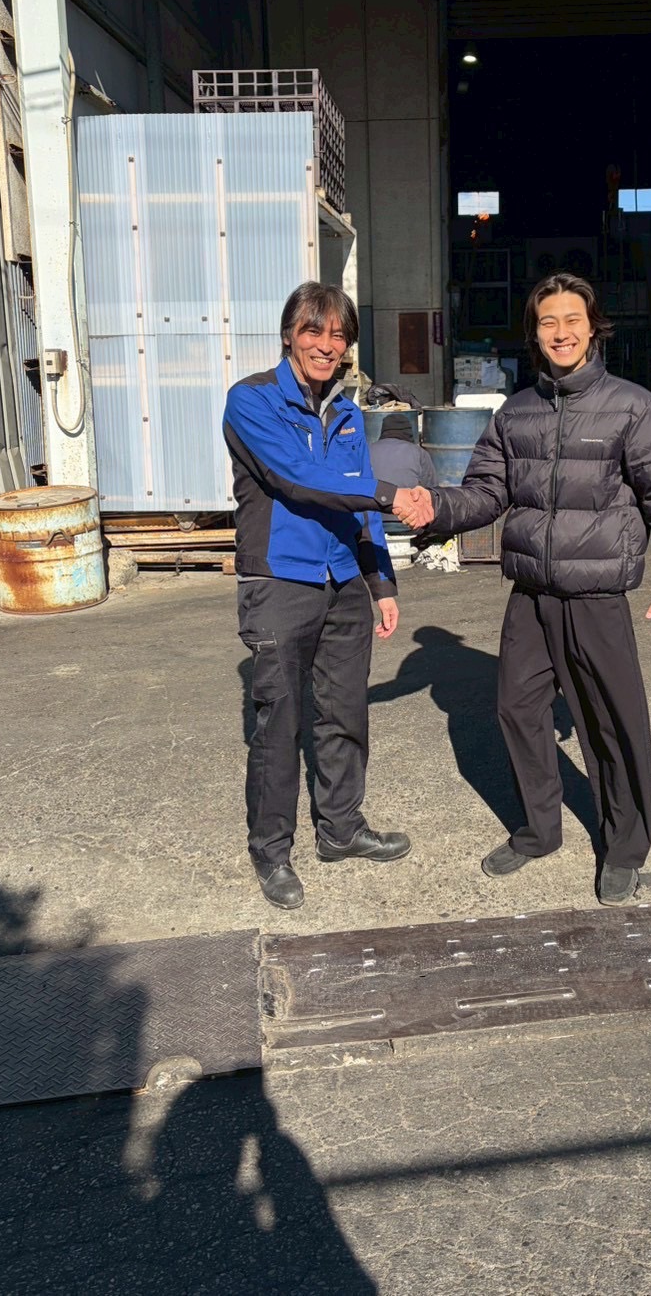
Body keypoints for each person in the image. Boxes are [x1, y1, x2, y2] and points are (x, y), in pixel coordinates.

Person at [394, 271, 651, 907]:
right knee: (516, 707)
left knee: (610, 723)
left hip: (596, 595)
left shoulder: (633, 407)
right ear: (535, 334)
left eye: (571, 320)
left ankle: (624, 850)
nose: (560, 333)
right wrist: (436, 507)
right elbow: (486, 492)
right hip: (531, 592)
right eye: (547, 323)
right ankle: (540, 830)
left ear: (593, 328)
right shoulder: (517, 412)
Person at [222, 282, 420, 911]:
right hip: (280, 581)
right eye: (314, 331)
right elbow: (299, 479)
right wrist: (391, 495)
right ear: (289, 335)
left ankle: (341, 830)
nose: (327, 346)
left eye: (339, 335)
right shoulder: (251, 400)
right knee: (279, 722)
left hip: (343, 584)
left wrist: (381, 582)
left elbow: (357, 505)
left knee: (344, 713)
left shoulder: (346, 413)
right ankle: (271, 851)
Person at [369, 413, 437, 490]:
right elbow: (432, 488)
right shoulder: (419, 452)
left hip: (372, 497)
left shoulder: (368, 450)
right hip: (407, 496)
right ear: (408, 432)